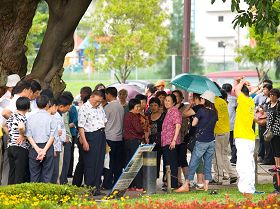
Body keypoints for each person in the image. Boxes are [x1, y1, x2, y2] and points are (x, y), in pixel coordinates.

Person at [176, 90, 218, 193]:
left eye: (203, 98)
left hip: (201, 140)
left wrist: (197, 118)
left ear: (205, 100)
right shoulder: (215, 112)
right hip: (211, 140)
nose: (201, 99)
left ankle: (186, 184)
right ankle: (206, 184)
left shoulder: (201, 111)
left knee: (194, 162)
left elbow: (194, 124)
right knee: (208, 163)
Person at [234, 80, 263, 194]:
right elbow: (250, 91)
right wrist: (249, 86)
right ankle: (249, 189)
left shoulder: (244, 101)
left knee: (244, 164)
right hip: (248, 137)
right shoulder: (250, 101)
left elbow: (236, 89)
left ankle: (248, 189)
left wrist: (240, 81)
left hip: (243, 137)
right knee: (249, 165)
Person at [78, 90, 107, 196]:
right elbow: (81, 127)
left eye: (100, 101)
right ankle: (89, 188)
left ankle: (97, 187)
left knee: (99, 162)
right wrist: (84, 141)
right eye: (96, 101)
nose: (98, 103)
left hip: (101, 134)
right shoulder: (84, 108)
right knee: (90, 163)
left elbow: (104, 122)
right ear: (91, 97)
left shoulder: (99, 107)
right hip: (90, 135)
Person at [26, 95, 56, 183]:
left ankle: (34, 195)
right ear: (47, 105)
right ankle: (46, 195)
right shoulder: (51, 118)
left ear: (36, 103)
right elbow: (52, 136)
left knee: (34, 174)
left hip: (34, 148)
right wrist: (44, 151)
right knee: (47, 175)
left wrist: (37, 149)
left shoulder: (30, 117)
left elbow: (28, 135)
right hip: (48, 147)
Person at [212, 90, 237, 184]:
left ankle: (218, 177)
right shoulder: (222, 101)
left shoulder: (214, 102)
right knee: (224, 155)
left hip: (218, 132)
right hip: (226, 131)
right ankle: (232, 174)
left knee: (217, 155)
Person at [102, 87, 124, 189]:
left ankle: (107, 183)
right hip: (119, 138)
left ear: (108, 94)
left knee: (108, 162)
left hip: (109, 137)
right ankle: (117, 183)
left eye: (105, 95)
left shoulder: (108, 107)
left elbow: (103, 122)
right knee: (117, 163)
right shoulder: (121, 106)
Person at [5, 97, 30, 184]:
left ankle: (9, 192)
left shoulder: (12, 116)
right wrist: (23, 135)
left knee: (12, 171)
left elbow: (4, 126)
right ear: (28, 107)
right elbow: (21, 127)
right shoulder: (22, 117)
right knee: (20, 173)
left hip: (10, 146)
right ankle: (17, 194)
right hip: (20, 147)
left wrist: (11, 136)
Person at [123, 98, 144, 191]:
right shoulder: (134, 116)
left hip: (127, 142)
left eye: (140, 106)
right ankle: (139, 186)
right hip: (134, 141)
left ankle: (130, 185)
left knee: (128, 164)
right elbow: (138, 129)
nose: (139, 108)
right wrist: (143, 129)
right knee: (137, 163)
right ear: (132, 107)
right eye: (137, 106)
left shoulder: (126, 115)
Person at [161, 94, 182, 189]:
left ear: (173, 102)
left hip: (171, 142)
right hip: (165, 141)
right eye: (165, 100)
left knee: (172, 163)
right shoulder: (168, 112)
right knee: (168, 163)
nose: (166, 102)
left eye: (169, 100)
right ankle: (169, 184)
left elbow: (178, 126)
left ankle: (173, 184)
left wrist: (173, 140)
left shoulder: (175, 111)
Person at [172, 90, 189, 186]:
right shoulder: (170, 108)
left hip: (182, 136)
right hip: (172, 137)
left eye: (177, 96)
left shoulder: (185, 108)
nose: (175, 98)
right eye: (173, 96)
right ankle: (178, 180)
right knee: (175, 160)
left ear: (181, 98)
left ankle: (187, 180)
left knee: (182, 159)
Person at [48, 99, 66, 184]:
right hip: (51, 148)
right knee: (51, 171)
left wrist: (62, 138)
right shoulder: (47, 117)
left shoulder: (58, 115)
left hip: (58, 146)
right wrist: (54, 149)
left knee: (56, 171)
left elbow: (62, 129)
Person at [148, 97, 165, 179]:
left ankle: (166, 180)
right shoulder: (147, 117)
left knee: (166, 161)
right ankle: (153, 178)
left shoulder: (163, 116)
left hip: (163, 141)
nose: (153, 107)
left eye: (155, 105)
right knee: (153, 161)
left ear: (159, 106)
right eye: (151, 105)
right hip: (151, 143)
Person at [222, 83, 237, 164]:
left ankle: (223, 159)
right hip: (233, 124)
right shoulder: (235, 99)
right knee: (233, 143)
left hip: (223, 125)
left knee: (223, 144)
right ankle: (234, 159)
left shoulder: (220, 100)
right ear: (231, 90)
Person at [266, 89, 280, 171]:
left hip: (277, 130)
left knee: (277, 148)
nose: (271, 96)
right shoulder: (268, 105)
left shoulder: (279, 105)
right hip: (270, 130)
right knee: (273, 149)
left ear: (277, 96)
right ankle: (276, 165)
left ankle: (279, 166)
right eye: (270, 94)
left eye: (274, 95)